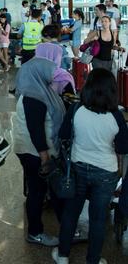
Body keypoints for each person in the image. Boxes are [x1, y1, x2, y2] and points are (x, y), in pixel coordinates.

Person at [53, 68, 128, 264]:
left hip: (77, 167)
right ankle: (93, 261)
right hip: (106, 172)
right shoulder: (117, 116)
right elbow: (123, 147)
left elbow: (63, 135)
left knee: (71, 213)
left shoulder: (76, 109)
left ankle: (62, 256)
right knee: (98, 219)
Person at [12, 56, 66, 247]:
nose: (52, 76)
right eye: (49, 72)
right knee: (37, 191)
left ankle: (66, 229)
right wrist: (44, 157)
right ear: (38, 73)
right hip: (34, 153)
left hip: (35, 151)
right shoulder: (34, 97)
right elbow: (35, 130)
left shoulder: (36, 91)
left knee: (48, 191)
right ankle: (35, 233)